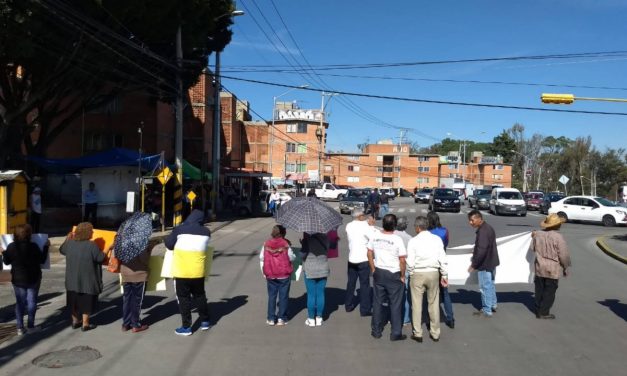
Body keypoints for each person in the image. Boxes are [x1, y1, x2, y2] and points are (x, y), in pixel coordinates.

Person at [164, 209, 212, 336]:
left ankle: (186, 327)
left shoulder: (180, 230)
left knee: (184, 298)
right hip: (198, 271)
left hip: (181, 271)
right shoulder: (206, 232)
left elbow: (169, 244)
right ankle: (205, 322)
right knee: (200, 296)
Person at [2, 224, 49, 335]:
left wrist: (3, 252)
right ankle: (31, 326)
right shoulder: (33, 246)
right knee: (32, 301)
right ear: (29, 234)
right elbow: (42, 260)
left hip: (18, 279)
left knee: (20, 302)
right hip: (33, 277)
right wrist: (46, 247)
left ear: (15, 234)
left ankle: (20, 328)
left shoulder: (11, 246)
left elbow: (6, 262)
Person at [406, 216, 448, 343]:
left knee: (417, 304)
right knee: (433, 303)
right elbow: (442, 258)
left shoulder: (413, 241)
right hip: (433, 272)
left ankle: (418, 332)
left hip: (418, 272)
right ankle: (435, 332)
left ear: (418, 228)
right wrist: (444, 275)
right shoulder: (436, 240)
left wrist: (411, 272)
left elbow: (410, 261)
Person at [367, 214, 407, 341]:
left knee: (378, 302)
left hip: (379, 271)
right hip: (393, 273)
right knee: (395, 304)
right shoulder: (397, 239)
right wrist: (402, 275)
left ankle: (376, 330)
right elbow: (402, 260)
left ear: (383, 224)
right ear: (394, 226)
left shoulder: (375, 236)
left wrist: (373, 268)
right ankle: (395, 333)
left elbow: (369, 252)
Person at [60, 222, 106, 331]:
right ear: (87, 233)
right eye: (91, 230)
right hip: (87, 280)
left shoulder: (70, 243)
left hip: (72, 280)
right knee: (86, 301)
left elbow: (62, 250)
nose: (93, 232)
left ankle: (75, 321)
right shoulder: (92, 245)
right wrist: (108, 248)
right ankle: (85, 324)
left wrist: (67, 238)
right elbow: (100, 258)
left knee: (73, 301)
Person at [532, 214, 571, 320]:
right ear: (557, 225)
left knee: (539, 289)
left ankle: (538, 308)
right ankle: (543, 312)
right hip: (552, 268)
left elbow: (533, 248)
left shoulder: (537, 234)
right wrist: (565, 267)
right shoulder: (558, 237)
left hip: (539, 266)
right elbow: (563, 254)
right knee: (550, 291)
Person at [119, 238, 159, 333]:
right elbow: (144, 260)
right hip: (139, 275)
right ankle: (135, 324)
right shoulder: (141, 242)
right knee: (137, 300)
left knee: (127, 299)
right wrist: (149, 250)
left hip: (125, 273)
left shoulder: (123, 241)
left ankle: (126, 323)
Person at [260, 225, 295, 326]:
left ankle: (271, 318)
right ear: (283, 233)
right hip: (284, 274)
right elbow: (291, 257)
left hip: (270, 274)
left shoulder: (266, 243)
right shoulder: (285, 243)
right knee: (283, 297)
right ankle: (281, 318)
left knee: (272, 296)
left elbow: (262, 257)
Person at [467, 210, 499, 318]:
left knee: (485, 287)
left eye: (472, 220)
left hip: (485, 263)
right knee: (490, 285)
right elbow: (483, 247)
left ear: (479, 219)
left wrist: (473, 265)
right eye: (469, 220)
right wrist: (476, 250)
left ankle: (487, 309)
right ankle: (493, 304)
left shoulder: (482, 231)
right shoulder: (487, 227)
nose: (470, 223)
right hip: (491, 261)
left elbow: (482, 250)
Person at [427, 211, 454, 328]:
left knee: (429, 294)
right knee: (445, 293)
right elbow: (446, 243)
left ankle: (430, 319)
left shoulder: (427, 233)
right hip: (442, 262)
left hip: (430, 264)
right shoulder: (444, 231)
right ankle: (450, 317)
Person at [344, 209, 373, 316]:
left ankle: (348, 305)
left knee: (351, 282)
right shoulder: (365, 226)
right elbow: (373, 237)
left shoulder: (349, 226)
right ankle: (365, 309)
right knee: (364, 284)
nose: (365, 216)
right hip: (363, 259)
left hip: (352, 258)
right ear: (360, 216)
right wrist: (371, 225)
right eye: (363, 215)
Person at [300, 232, 329, 327]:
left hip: (310, 270)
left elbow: (302, 256)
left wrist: (302, 245)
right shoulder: (325, 239)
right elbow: (328, 250)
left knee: (311, 295)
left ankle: (311, 319)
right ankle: (319, 318)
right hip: (323, 269)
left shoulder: (306, 240)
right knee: (320, 294)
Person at [393, 216, 413, 327]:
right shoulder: (409, 238)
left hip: (392, 267)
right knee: (405, 294)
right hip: (404, 268)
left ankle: (393, 317)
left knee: (393, 295)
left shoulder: (392, 235)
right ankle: (405, 319)